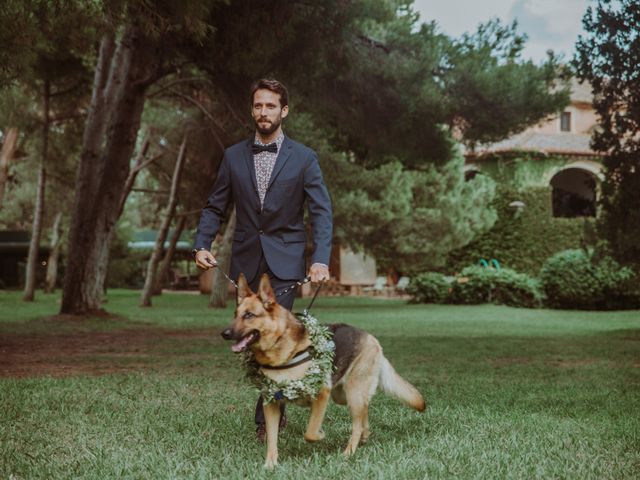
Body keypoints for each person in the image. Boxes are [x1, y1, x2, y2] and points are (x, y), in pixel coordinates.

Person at [192, 78, 333, 441]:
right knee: (252, 336)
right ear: (251, 110)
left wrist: (319, 259)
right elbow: (214, 205)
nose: (264, 112)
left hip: (285, 264)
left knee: (274, 337)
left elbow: (321, 213)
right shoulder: (233, 156)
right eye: (258, 106)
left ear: (283, 111)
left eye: (271, 106)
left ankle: (266, 418)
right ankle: (273, 406)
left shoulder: (304, 158)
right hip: (245, 262)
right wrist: (201, 244)